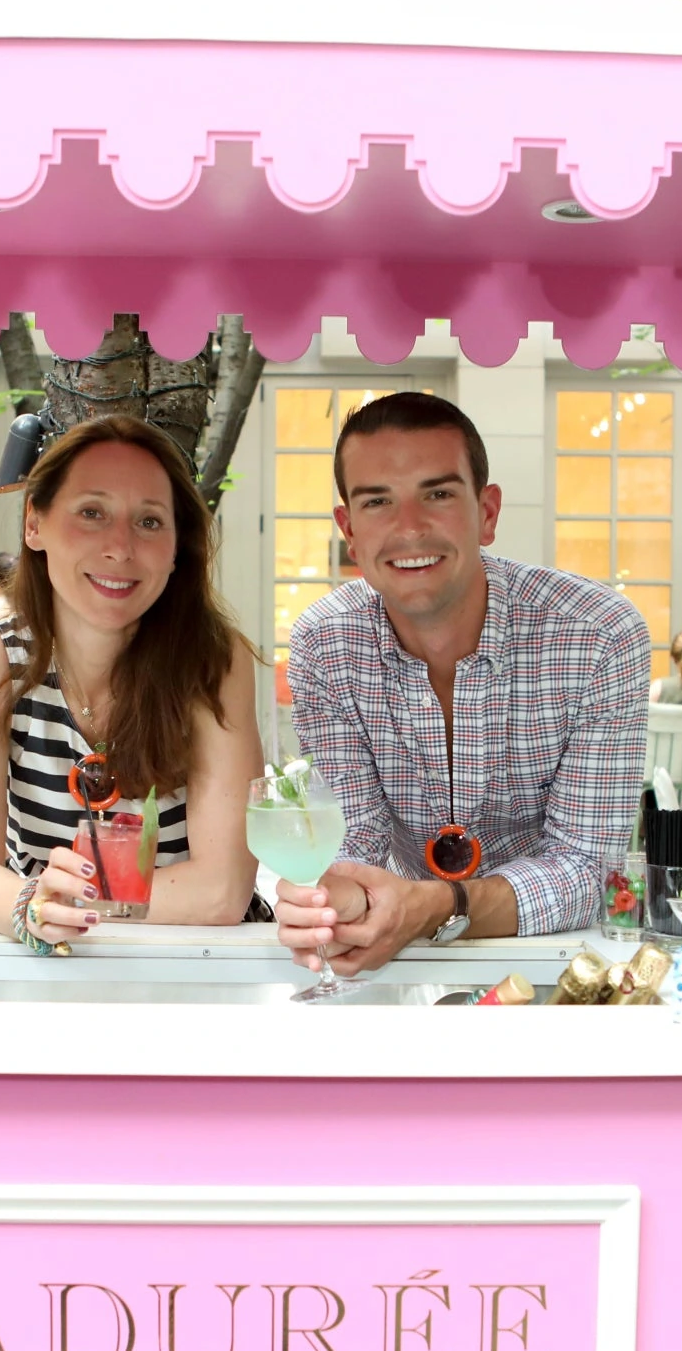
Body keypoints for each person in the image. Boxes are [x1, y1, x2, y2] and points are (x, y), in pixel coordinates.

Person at [273, 392, 648, 977]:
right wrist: (337, 901)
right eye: (378, 502)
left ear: (488, 512)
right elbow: (356, 839)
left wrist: (441, 906)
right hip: (402, 963)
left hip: (561, 965)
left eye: (438, 494)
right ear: (349, 527)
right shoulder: (325, 644)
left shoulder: (597, 634)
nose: (409, 528)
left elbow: (588, 869)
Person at [0, 416, 262, 944]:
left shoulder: (211, 661)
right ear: (34, 523)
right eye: (92, 512)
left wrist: (65, 904)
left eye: (150, 521)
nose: (121, 547)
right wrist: (34, 909)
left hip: (202, 965)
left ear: (178, 544)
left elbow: (222, 891)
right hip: (59, 961)